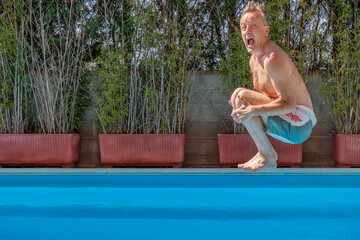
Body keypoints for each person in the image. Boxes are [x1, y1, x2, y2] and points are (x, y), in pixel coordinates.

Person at [230, 1, 317, 171]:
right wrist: (245, 108)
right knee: (238, 96)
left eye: (253, 26)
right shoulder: (253, 60)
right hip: (287, 118)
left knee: (241, 98)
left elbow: (290, 104)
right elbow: (268, 98)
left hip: (299, 125)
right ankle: (264, 153)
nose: (247, 31)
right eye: (243, 27)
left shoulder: (272, 59)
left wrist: (253, 111)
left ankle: (267, 156)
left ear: (266, 31)